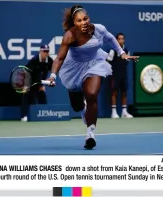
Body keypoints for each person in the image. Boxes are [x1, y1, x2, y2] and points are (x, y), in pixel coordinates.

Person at [47, 5, 139, 149]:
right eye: (79, 21)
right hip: (74, 67)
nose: (83, 22)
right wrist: (52, 76)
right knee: (77, 106)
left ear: (89, 18)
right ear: (74, 23)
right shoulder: (69, 36)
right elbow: (59, 58)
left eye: (85, 19)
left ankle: (90, 133)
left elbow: (110, 38)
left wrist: (122, 53)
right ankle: (83, 108)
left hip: (94, 63)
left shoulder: (98, 29)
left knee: (91, 94)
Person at [21, 45, 53, 122]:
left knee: (42, 94)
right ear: (40, 51)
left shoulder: (49, 60)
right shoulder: (34, 60)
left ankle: (45, 113)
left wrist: (50, 79)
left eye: (47, 51)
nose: (46, 53)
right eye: (44, 51)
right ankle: (24, 116)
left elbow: (53, 70)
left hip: (39, 81)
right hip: (29, 80)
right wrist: (26, 85)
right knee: (26, 95)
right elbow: (26, 71)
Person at [107, 32, 133, 119]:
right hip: (114, 75)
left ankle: (124, 112)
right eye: (119, 39)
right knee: (114, 92)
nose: (121, 40)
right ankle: (113, 112)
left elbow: (126, 62)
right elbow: (107, 62)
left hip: (123, 75)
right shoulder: (112, 50)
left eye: (122, 39)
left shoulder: (126, 51)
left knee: (124, 92)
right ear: (116, 40)